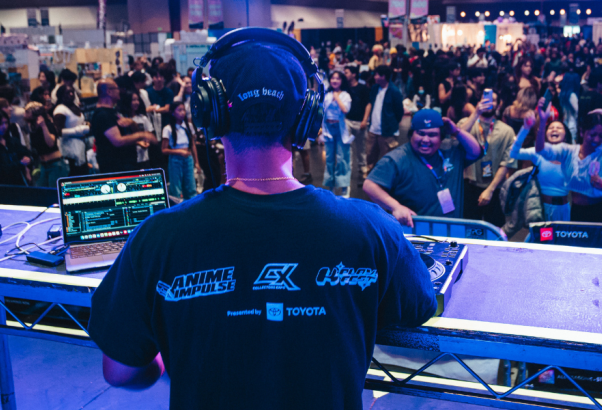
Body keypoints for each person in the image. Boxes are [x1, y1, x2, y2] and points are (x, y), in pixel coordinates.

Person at [88, 28, 436, 409]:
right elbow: (417, 308)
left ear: (210, 114)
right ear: (307, 118)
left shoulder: (157, 238)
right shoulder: (372, 229)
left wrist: (164, 358)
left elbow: (120, 372)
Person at [363, 109, 483, 226]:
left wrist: (456, 131)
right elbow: (369, 185)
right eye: (420, 133)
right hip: (415, 234)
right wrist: (396, 207)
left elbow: (475, 151)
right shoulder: (397, 158)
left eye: (432, 135)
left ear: (441, 137)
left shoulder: (450, 151)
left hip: (451, 233)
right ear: (411, 134)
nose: (425, 140)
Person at [533, 112, 602, 223]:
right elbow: (541, 150)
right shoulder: (569, 152)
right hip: (575, 211)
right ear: (582, 132)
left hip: (600, 213)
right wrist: (542, 123)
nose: (596, 139)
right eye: (592, 135)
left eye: (601, 136)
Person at [457, 92, 516, 227]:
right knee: (468, 229)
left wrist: (490, 190)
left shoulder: (507, 131)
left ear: (499, 105)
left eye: (493, 100)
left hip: (495, 188)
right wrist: (476, 113)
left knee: (494, 229)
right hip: (468, 185)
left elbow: (506, 163)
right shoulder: (465, 122)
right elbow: (456, 137)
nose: (489, 102)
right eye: (485, 99)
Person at [90, 79, 156, 174]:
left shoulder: (112, 111)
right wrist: (143, 135)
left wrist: (132, 124)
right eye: (117, 88)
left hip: (125, 165)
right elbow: (118, 141)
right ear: (109, 92)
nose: (119, 91)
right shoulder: (103, 114)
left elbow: (123, 135)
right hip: (115, 168)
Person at [361, 65, 404, 174]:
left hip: (387, 131)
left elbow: (399, 112)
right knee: (370, 155)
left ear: (383, 76)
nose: (374, 77)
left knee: (388, 158)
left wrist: (392, 124)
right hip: (373, 130)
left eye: (376, 74)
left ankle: (386, 180)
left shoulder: (394, 92)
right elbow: (370, 103)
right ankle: (370, 177)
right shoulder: (375, 88)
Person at [320, 71, 353, 197]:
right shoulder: (326, 95)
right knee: (329, 159)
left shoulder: (345, 95)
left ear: (342, 81)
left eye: (338, 78)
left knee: (342, 158)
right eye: (333, 78)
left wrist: (337, 97)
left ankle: (344, 186)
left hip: (341, 128)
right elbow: (321, 111)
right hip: (328, 128)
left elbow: (345, 110)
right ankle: (331, 186)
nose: (335, 81)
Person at [160, 101, 200, 201]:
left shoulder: (189, 126)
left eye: (184, 110)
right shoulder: (168, 128)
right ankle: (176, 211)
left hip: (188, 158)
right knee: (176, 187)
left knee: (190, 186)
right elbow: (164, 149)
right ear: (173, 112)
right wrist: (180, 152)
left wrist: (197, 162)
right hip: (175, 159)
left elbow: (193, 145)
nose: (182, 112)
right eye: (179, 110)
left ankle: (191, 209)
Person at [25, 102, 68, 187]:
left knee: (54, 194)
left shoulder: (48, 125)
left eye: (27, 112)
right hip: (43, 165)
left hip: (55, 164)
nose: (24, 114)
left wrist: (43, 126)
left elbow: (51, 144)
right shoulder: (32, 128)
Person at [53, 85, 92, 176]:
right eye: (68, 93)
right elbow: (58, 132)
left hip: (80, 146)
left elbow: (76, 122)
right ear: (62, 95)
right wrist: (78, 131)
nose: (71, 94)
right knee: (74, 173)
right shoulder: (60, 110)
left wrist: (85, 124)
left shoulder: (74, 106)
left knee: (82, 172)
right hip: (68, 148)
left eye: (72, 92)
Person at [343, 65, 370, 178]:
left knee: (361, 146)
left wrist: (365, 120)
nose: (345, 75)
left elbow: (368, 104)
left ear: (354, 74)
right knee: (346, 146)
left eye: (347, 72)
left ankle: (362, 167)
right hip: (347, 120)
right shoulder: (344, 87)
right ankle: (347, 169)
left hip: (360, 121)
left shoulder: (363, 88)